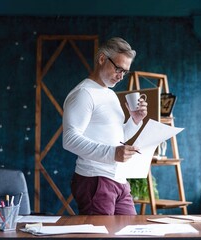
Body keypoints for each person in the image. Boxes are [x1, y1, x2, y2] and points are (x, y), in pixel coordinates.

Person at [62, 37, 148, 215]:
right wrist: (112, 153)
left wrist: (135, 120)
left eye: (125, 72)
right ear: (102, 59)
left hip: (118, 180)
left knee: (129, 234)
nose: (121, 76)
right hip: (95, 179)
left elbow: (118, 139)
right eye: (118, 69)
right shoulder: (84, 93)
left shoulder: (110, 95)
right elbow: (69, 139)